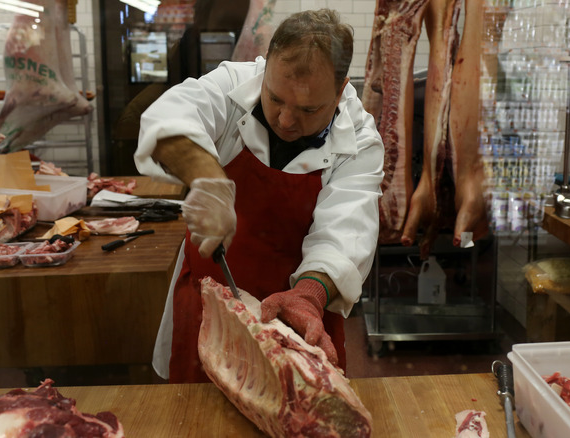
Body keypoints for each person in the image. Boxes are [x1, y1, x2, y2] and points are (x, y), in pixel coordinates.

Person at [135, 8, 385, 383]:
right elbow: (169, 117)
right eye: (276, 98)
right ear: (266, 67)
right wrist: (208, 181)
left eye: (308, 109)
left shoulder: (360, 140)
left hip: (298, 322)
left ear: (340, 90)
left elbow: (347, 231)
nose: (285, 119)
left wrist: (309, 295)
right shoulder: (234, 84)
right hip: (209, 307)